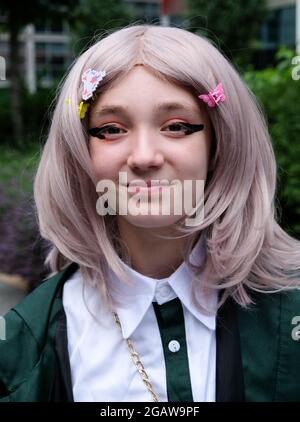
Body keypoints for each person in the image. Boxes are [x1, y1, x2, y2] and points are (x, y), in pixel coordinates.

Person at [0, 24, 300, 403]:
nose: (144, 157)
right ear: (78, 151)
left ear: (219, 142)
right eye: (111, 129)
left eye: (176, 126)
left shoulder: (291, 311)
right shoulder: (25, 345)